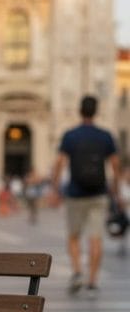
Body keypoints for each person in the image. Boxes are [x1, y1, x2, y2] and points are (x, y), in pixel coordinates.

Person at [51, 94, 121, 296]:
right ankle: (92, 282)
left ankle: (77, 272)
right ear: (96, 112)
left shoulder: (71, 135)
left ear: (79, 111)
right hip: (98, 193)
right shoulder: (105, 136)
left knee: (74, 236)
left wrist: (55, 188)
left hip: (75, 193)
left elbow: (60, 162)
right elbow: (115, 164)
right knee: (95, 238)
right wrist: (115, 189)